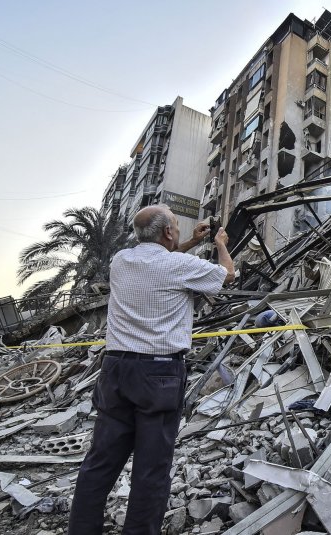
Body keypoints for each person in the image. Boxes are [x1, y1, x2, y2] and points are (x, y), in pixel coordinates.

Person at [68, 205, 235, 535]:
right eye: (175, 224)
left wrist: (186, 241)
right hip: (158, 376)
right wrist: (220, 244)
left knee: (99, 464)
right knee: (151, 470)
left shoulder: (121, 261)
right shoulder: (178, 265)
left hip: (115, 372)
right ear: (168, 233)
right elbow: (227, 274)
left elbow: (160, 263)